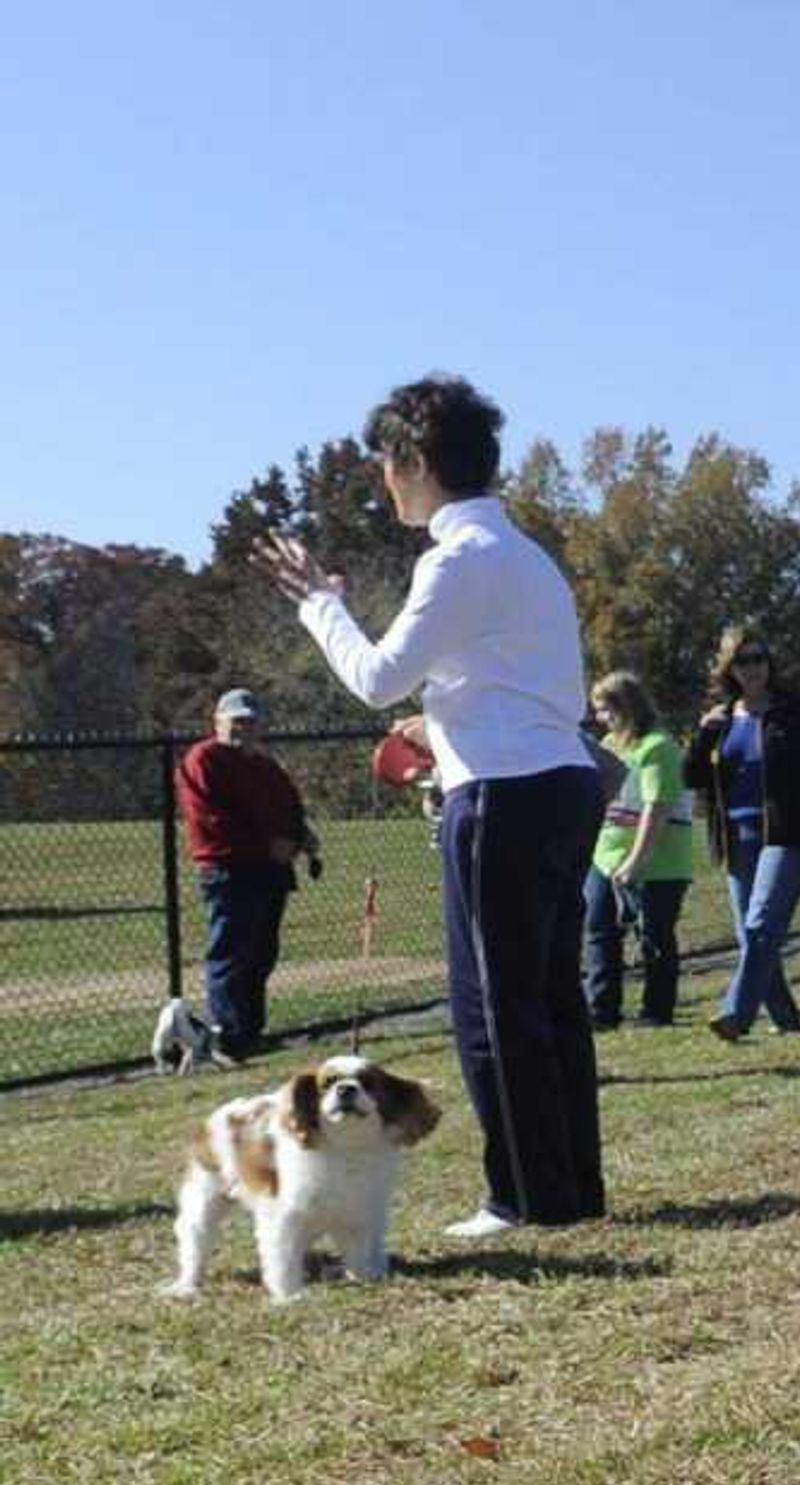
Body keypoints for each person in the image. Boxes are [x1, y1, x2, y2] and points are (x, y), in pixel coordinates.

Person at [264, 373, 602, 1239]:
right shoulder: (529, 558)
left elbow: (378, 678)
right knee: (553, 1001)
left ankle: (521, 1196)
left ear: (415, 461)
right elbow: (514, 685)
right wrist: (444, 715)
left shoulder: (455, 559)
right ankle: (571, 1190)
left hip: (499, 796)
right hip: (563, 783)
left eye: (387, 462)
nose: (384, 480)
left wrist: (319, 604)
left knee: (493, 1007)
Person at [684, 627, 800, 1039]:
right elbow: (691, 776)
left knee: (760, 927)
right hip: (737, 836)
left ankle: (735, 1013)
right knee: (751, 936)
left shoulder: (793, 711)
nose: (753, 668)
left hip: (789, 833)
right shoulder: (721, 719)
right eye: (744, 661)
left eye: (759, 659)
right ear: (730, 669)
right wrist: (703, 734)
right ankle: (788, 1022)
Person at [173, 687, 319, 1067]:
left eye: (251, 721)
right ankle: (228, 1037)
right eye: (237, 720)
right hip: (229, 869)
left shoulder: (265, 766)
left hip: (270, 872)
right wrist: (268, 845)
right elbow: (212, 819)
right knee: (231, 953)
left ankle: (251, 1032)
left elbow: (290, 806)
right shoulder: (204, 758)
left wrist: (301, 837)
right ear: (218, 721)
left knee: (261, 953)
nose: (244, 728)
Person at [582, 671, 698, 1028]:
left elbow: (656, 807)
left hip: (657, 865)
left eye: (608, 710)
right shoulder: (611, 746)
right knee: (599, 930)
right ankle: (601, 1011)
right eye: (599, 711)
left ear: (629, 706)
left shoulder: (658, 747)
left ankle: (656, 1011)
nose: (603, 718)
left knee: (654, 937)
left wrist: (636, 860)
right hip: (605, 857)